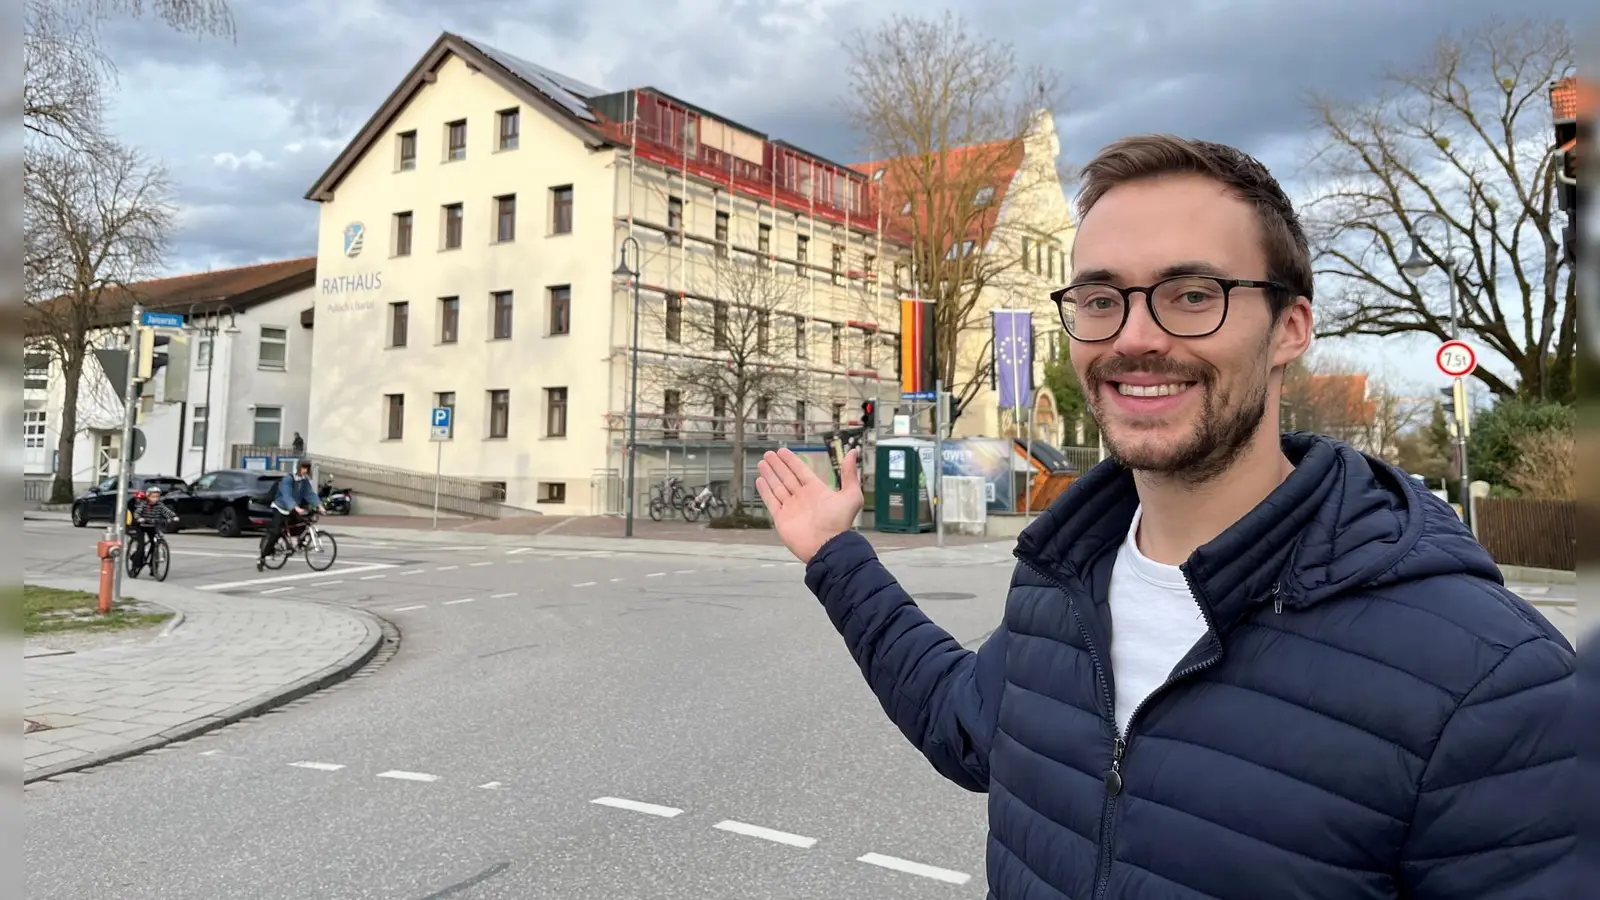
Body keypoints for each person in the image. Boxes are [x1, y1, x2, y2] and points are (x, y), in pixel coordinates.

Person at [756, 135, 1573, 899]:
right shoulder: (1066, 581)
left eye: (1192, 294)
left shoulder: (1491, 678)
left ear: (1290, 327)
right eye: (1102, 298)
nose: (1136, 338)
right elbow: (962, 723)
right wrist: (834, 551)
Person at [257, 461, 322, 571]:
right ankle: (262, 558)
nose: (305, 471)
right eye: (303, 468)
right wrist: (296, 508)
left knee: (304, 522)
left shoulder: (304, 480)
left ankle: (298, 544)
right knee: (276, 532)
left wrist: (320, 506)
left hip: (292, 508)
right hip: (280, 507)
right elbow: (287, 496)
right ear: (298, 468)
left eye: (307, 469)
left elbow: (309, 494)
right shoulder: (287, 479)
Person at [127, 485, 177, 571]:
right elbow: (137, 512)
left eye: (157, 497)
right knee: (141, 546)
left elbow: (166, 511)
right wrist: (139, 518)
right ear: (148, 496)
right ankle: (135, 565)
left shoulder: (160, 505)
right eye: (153, 497)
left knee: (155, 545)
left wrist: (173, 516)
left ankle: (153, 566)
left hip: (152, 526)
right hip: (141, 527)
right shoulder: (143, 504)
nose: (155, 499)